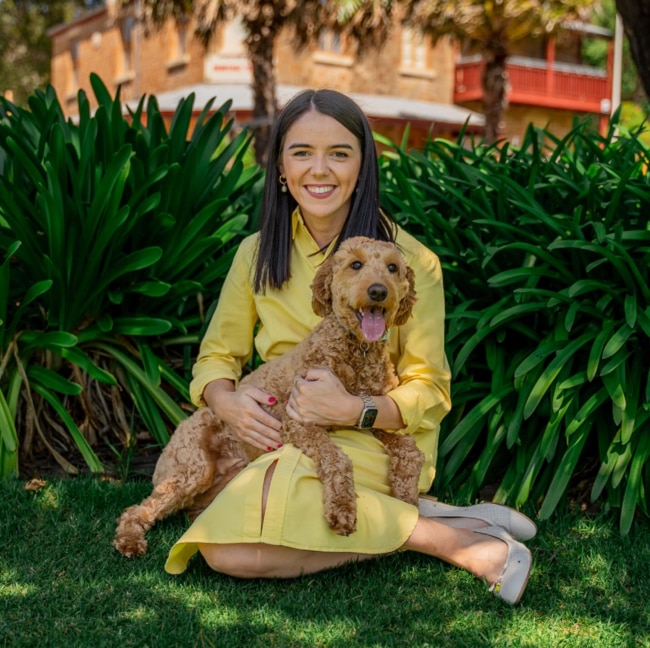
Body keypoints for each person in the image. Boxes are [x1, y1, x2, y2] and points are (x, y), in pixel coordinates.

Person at [164, 89, 535, 605]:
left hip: (377, 438)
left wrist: (354, 409)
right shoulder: (256, 254)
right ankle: (426, 519)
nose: (320, 170)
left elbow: (430, 388)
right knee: (229, 545)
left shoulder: (411, 263)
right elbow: (216, 357)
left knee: (228, 548)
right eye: (301, 153)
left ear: (362, 168)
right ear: (279, 170)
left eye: (339, 153)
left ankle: (457, 544)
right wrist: (228, 403)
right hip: (281, 433)